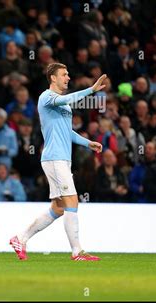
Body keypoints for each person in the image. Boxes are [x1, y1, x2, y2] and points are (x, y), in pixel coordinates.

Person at [10, 63, 106, 261]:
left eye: (68, 73)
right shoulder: (46, 97)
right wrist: (91, 90)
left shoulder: (63, 104)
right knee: (72, 201)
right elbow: (68, 98)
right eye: (64, 74)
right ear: (53, 78)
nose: (68, 77)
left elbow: (66, 131)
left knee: (59, 208)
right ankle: (77, 251)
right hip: (55, 158)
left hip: (61, 159)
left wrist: (88, 143)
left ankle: (20, 238)